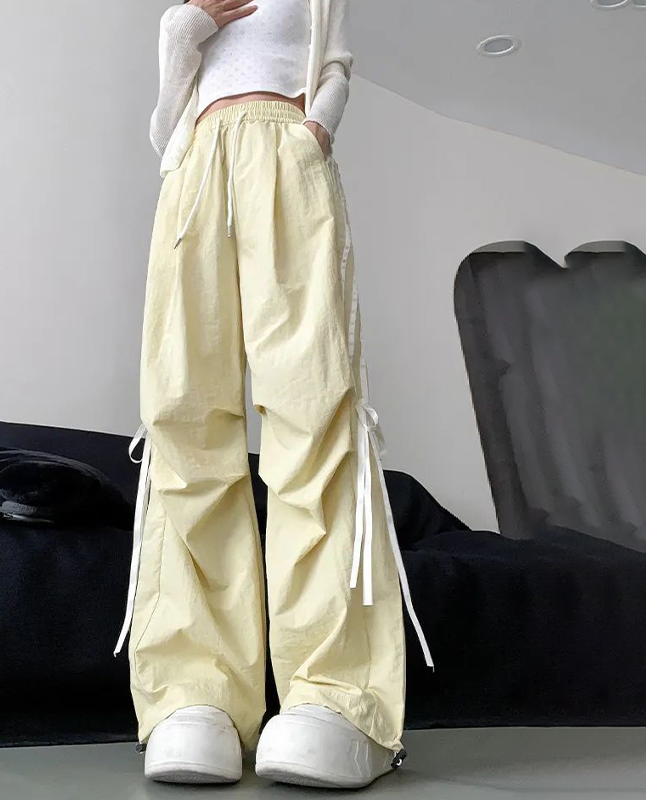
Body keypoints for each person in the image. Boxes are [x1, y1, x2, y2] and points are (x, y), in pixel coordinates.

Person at [116, 0, 434, 789]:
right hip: (195, 169)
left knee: (314, 406)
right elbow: (163, 128)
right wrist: (181, 31)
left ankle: (337, 696)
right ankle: (195, 694)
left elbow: (337, 65)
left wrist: (315, 129)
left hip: (288, 157)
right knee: (182, 415)